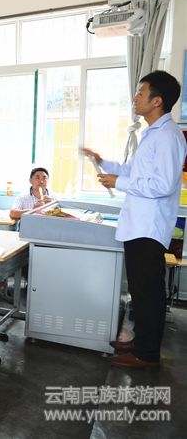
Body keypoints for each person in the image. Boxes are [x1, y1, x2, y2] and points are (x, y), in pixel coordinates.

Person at [83, 70, 187, 369]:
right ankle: (141, 341)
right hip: (138, 225)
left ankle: (146, 354)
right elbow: (134, 172)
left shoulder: (168, 136)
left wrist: (119, 183)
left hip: (148, 228)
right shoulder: (152, 133)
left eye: (141, 93)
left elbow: (162, 185)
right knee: (140, 290)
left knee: (148, 291)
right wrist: (103, 162)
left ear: (157, 100)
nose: (135, 98)